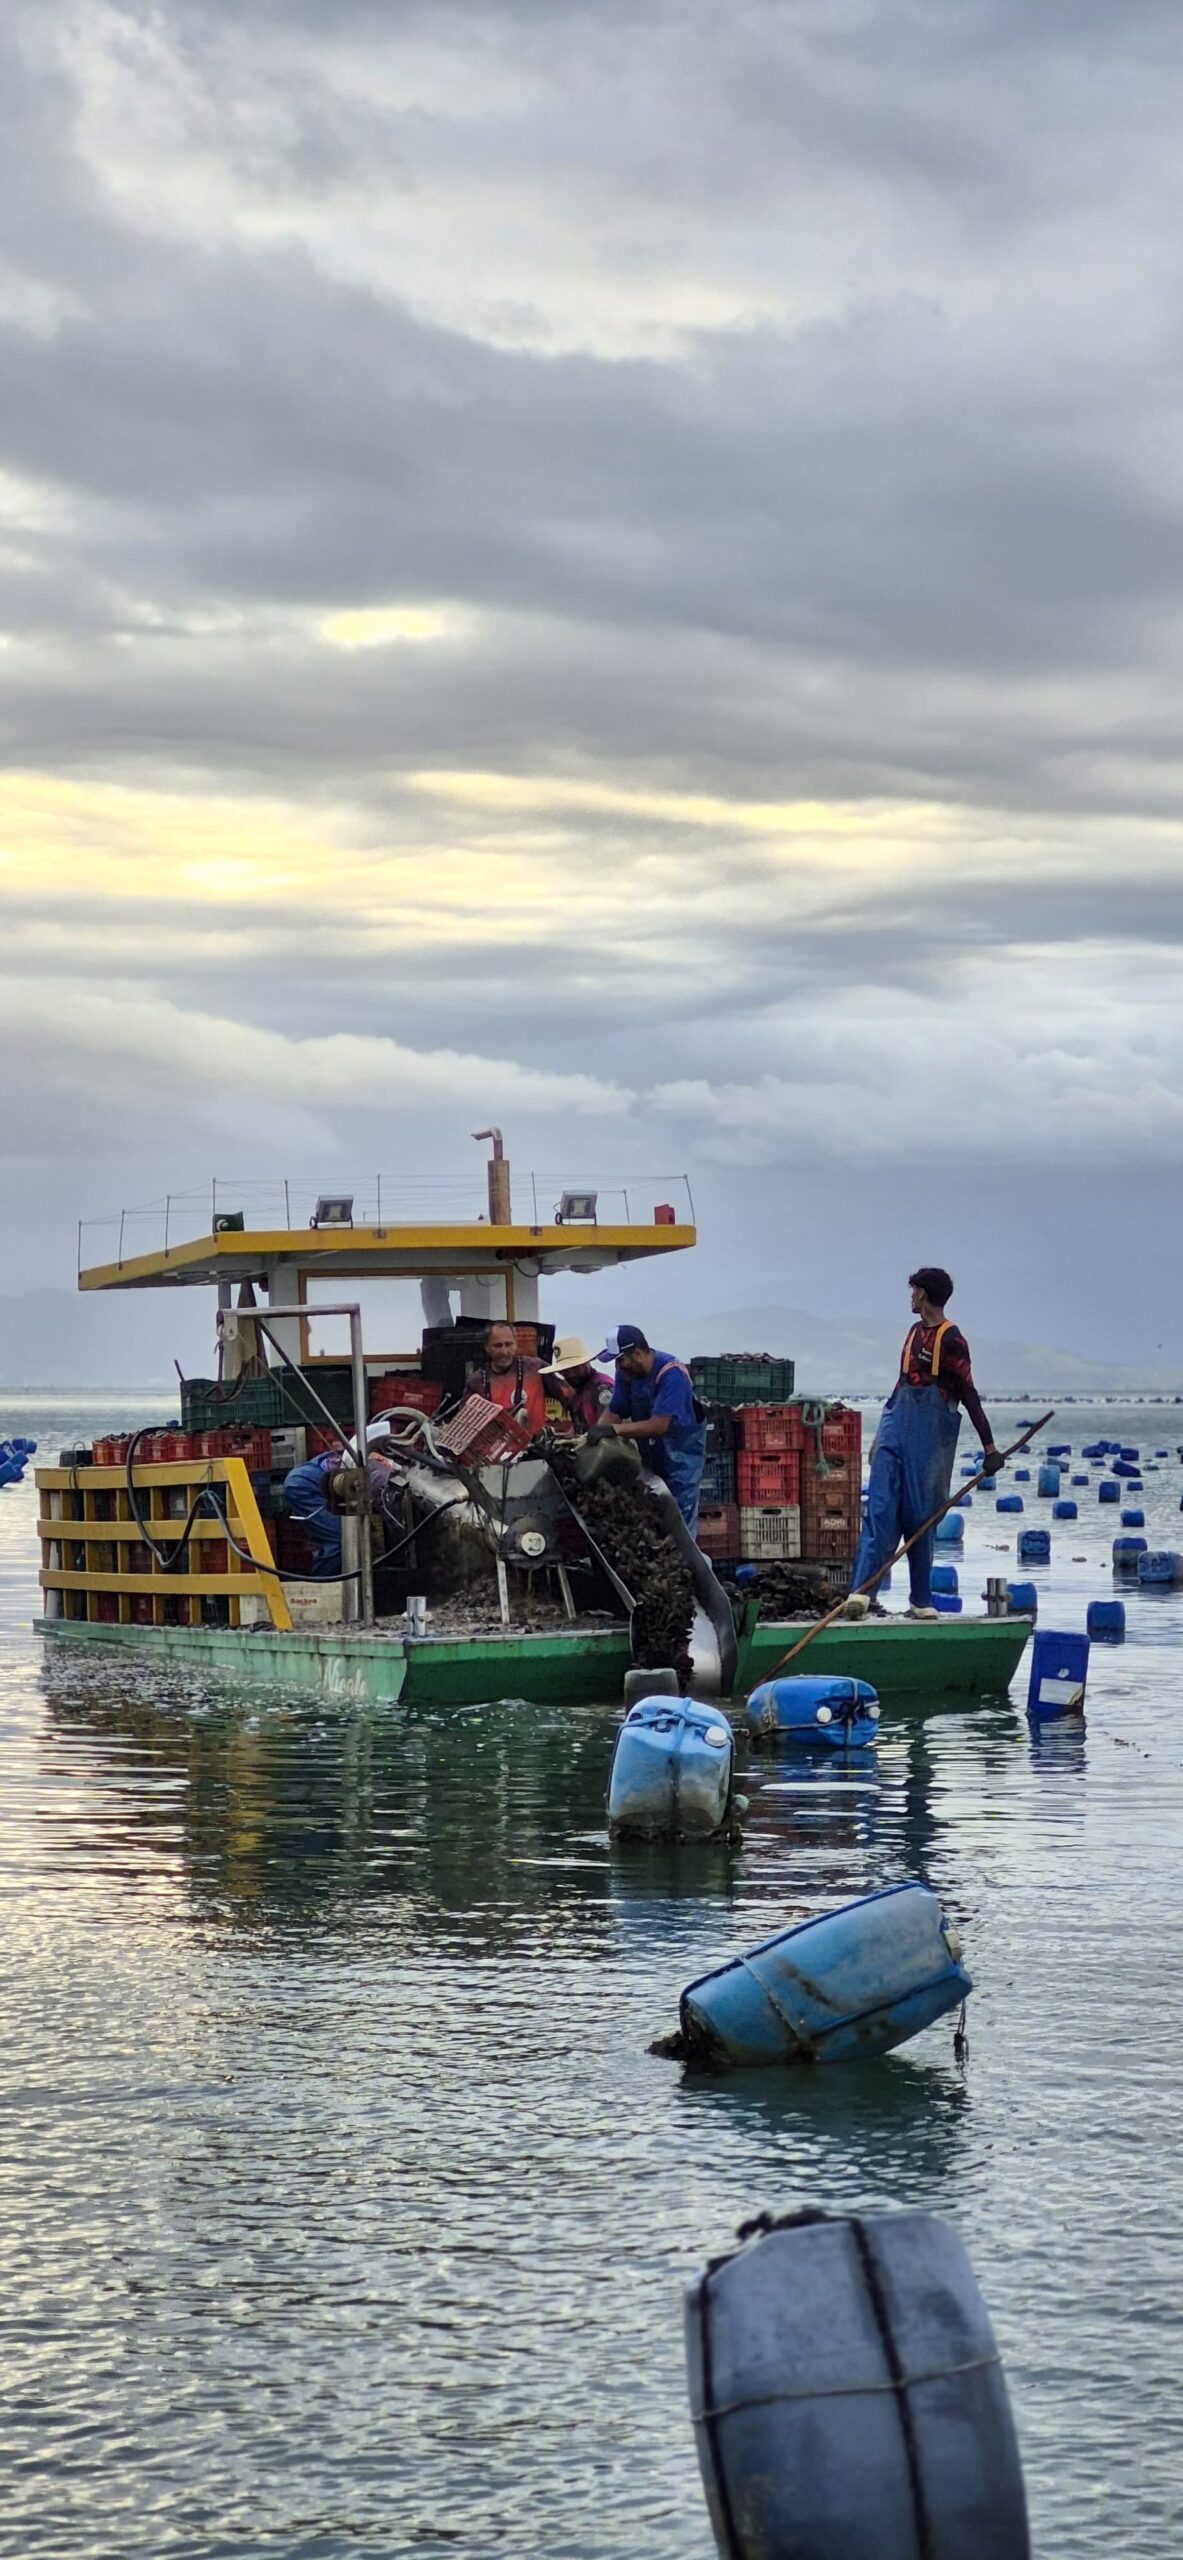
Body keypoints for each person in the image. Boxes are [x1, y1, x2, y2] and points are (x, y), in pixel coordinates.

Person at [849, 1267, 1003, 1620]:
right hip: (896, 1423)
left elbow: (968, 1393)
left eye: (914, 1291)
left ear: (924, 1294)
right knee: (881, 1509)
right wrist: (882, 1433)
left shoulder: (953, 1340)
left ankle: (920, 1600)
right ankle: (861, 1593)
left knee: (920, 1517)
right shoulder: (913, 1333)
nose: (911, 1297)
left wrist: (990, 1448)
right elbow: (902, 1383)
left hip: (929, 1436)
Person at [599, 1323, 708, 1533]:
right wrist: (589, 1439)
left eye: (621, 1359)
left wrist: (614, 1430)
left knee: (679, 1522)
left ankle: (687, 1565)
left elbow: (660, 1425)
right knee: (652, 1518)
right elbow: (615, 1410)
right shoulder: (626, 1374)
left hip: (681, 1458)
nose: (618, 1366)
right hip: (651, 1455)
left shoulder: (671, 1374)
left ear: (638, 1353)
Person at [466, 1320, 548, 1437]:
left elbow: (571, 1398)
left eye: (508, 1344)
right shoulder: (476, 1381)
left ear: (516, 1344)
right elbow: (467, 1424)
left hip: (535, 1450)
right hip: (494, 1450)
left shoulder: (536, 1368)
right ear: (487, 1347)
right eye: (498, 1346)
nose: (504, 1351)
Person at [540, 1336, 612, 1434]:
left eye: (575, 1368)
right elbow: (579, 1428)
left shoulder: (603, 1388)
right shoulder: (577, 1392)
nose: (570, 1374)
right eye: (565, 1371)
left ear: (587, 1363)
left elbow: (606, 1428)